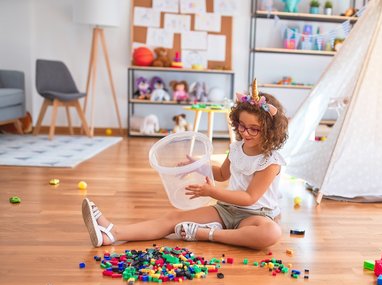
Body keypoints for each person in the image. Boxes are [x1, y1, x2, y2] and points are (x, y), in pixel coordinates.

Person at [82, 80, 288, 250]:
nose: (245, 132)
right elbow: (223, 174)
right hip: (228, 209)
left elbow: (249, 198)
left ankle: (209, 234)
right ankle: (112, 232)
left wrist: (210, 192)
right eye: (242, 126)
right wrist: (199, 166)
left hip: (257, 215)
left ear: (269, 132)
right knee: (174, 217)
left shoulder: (270, 161)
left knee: (271, 233)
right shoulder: (237, 148)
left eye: (254, 129)